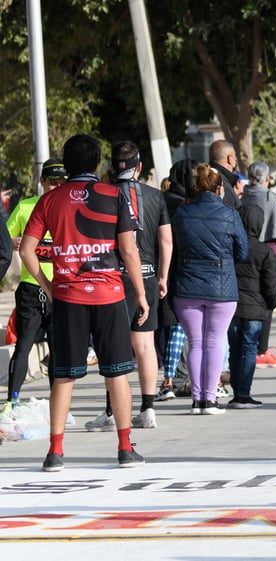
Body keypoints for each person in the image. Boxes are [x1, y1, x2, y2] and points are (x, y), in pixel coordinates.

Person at [20, 133, 148, 472]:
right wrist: (142, 294)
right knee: (116, 373)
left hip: (67, 298)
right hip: (109, 296)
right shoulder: (114, 196)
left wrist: (48, 285)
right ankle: (124, 447)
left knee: (64, 376)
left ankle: (55, 453)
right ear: (96, 164)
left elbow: (26, 250)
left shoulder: (49, 201)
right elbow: (129, 251)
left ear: (68, 163)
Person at [84, 141, 172, 432]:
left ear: (111, 167)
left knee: (113, 345)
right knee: (145, 344)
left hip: (114, 276)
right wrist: (162, 276)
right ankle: (148, 409)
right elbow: (166, 241)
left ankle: (111, 412)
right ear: (140, 167)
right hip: (146, 275)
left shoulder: (103, 196)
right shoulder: (156, 196)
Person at [171, 163, 248, 415]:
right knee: (214, 341)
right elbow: (242, 252)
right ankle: (211, 400)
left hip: (186, 285)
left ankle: (196, 400)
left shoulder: (181, 214)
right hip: (221, 287)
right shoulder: (230, 215)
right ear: (219, 190)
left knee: (195, 342)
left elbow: (174, 248)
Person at [4, 159, 64, 410]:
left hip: (61, 287)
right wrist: (14, 240)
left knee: (57, 350)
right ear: (41, 182)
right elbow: (4, 238)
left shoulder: (69, 208)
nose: (57, 187)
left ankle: (57, 404)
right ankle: (12, 400)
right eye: (52, 183)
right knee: (24, 346)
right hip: (31, 288)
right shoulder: (26, 206)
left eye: (62, 183)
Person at [241, 161, 276, 366]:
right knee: (268, 302)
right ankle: (261, 350)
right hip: (271, 254)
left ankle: (250, 346)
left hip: (246, 252)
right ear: (266, 178)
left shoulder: (243, 197)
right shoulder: (269, 197)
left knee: (248, 302)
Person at [228, 204, 276, 408]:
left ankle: (236, 393)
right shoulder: (265, 252)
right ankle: (244, 394)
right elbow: (271, 285)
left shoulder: (230, 248)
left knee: (234, 349)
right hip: (256, 309)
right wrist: (270, 305)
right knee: (249, 348)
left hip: (232, 306)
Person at [154, 159, 195, 401]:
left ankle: (171, 377)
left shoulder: (158, 200)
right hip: (177, 271)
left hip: (154, 270)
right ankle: (175, 378)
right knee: (179, 327)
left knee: (166, 327)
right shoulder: (184, 205)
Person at [208, 139, 243, 209]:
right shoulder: (222, 183)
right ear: (230, 159)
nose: (236, 159)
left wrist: (234, 194)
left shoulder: (205, 177)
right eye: (235, 156)